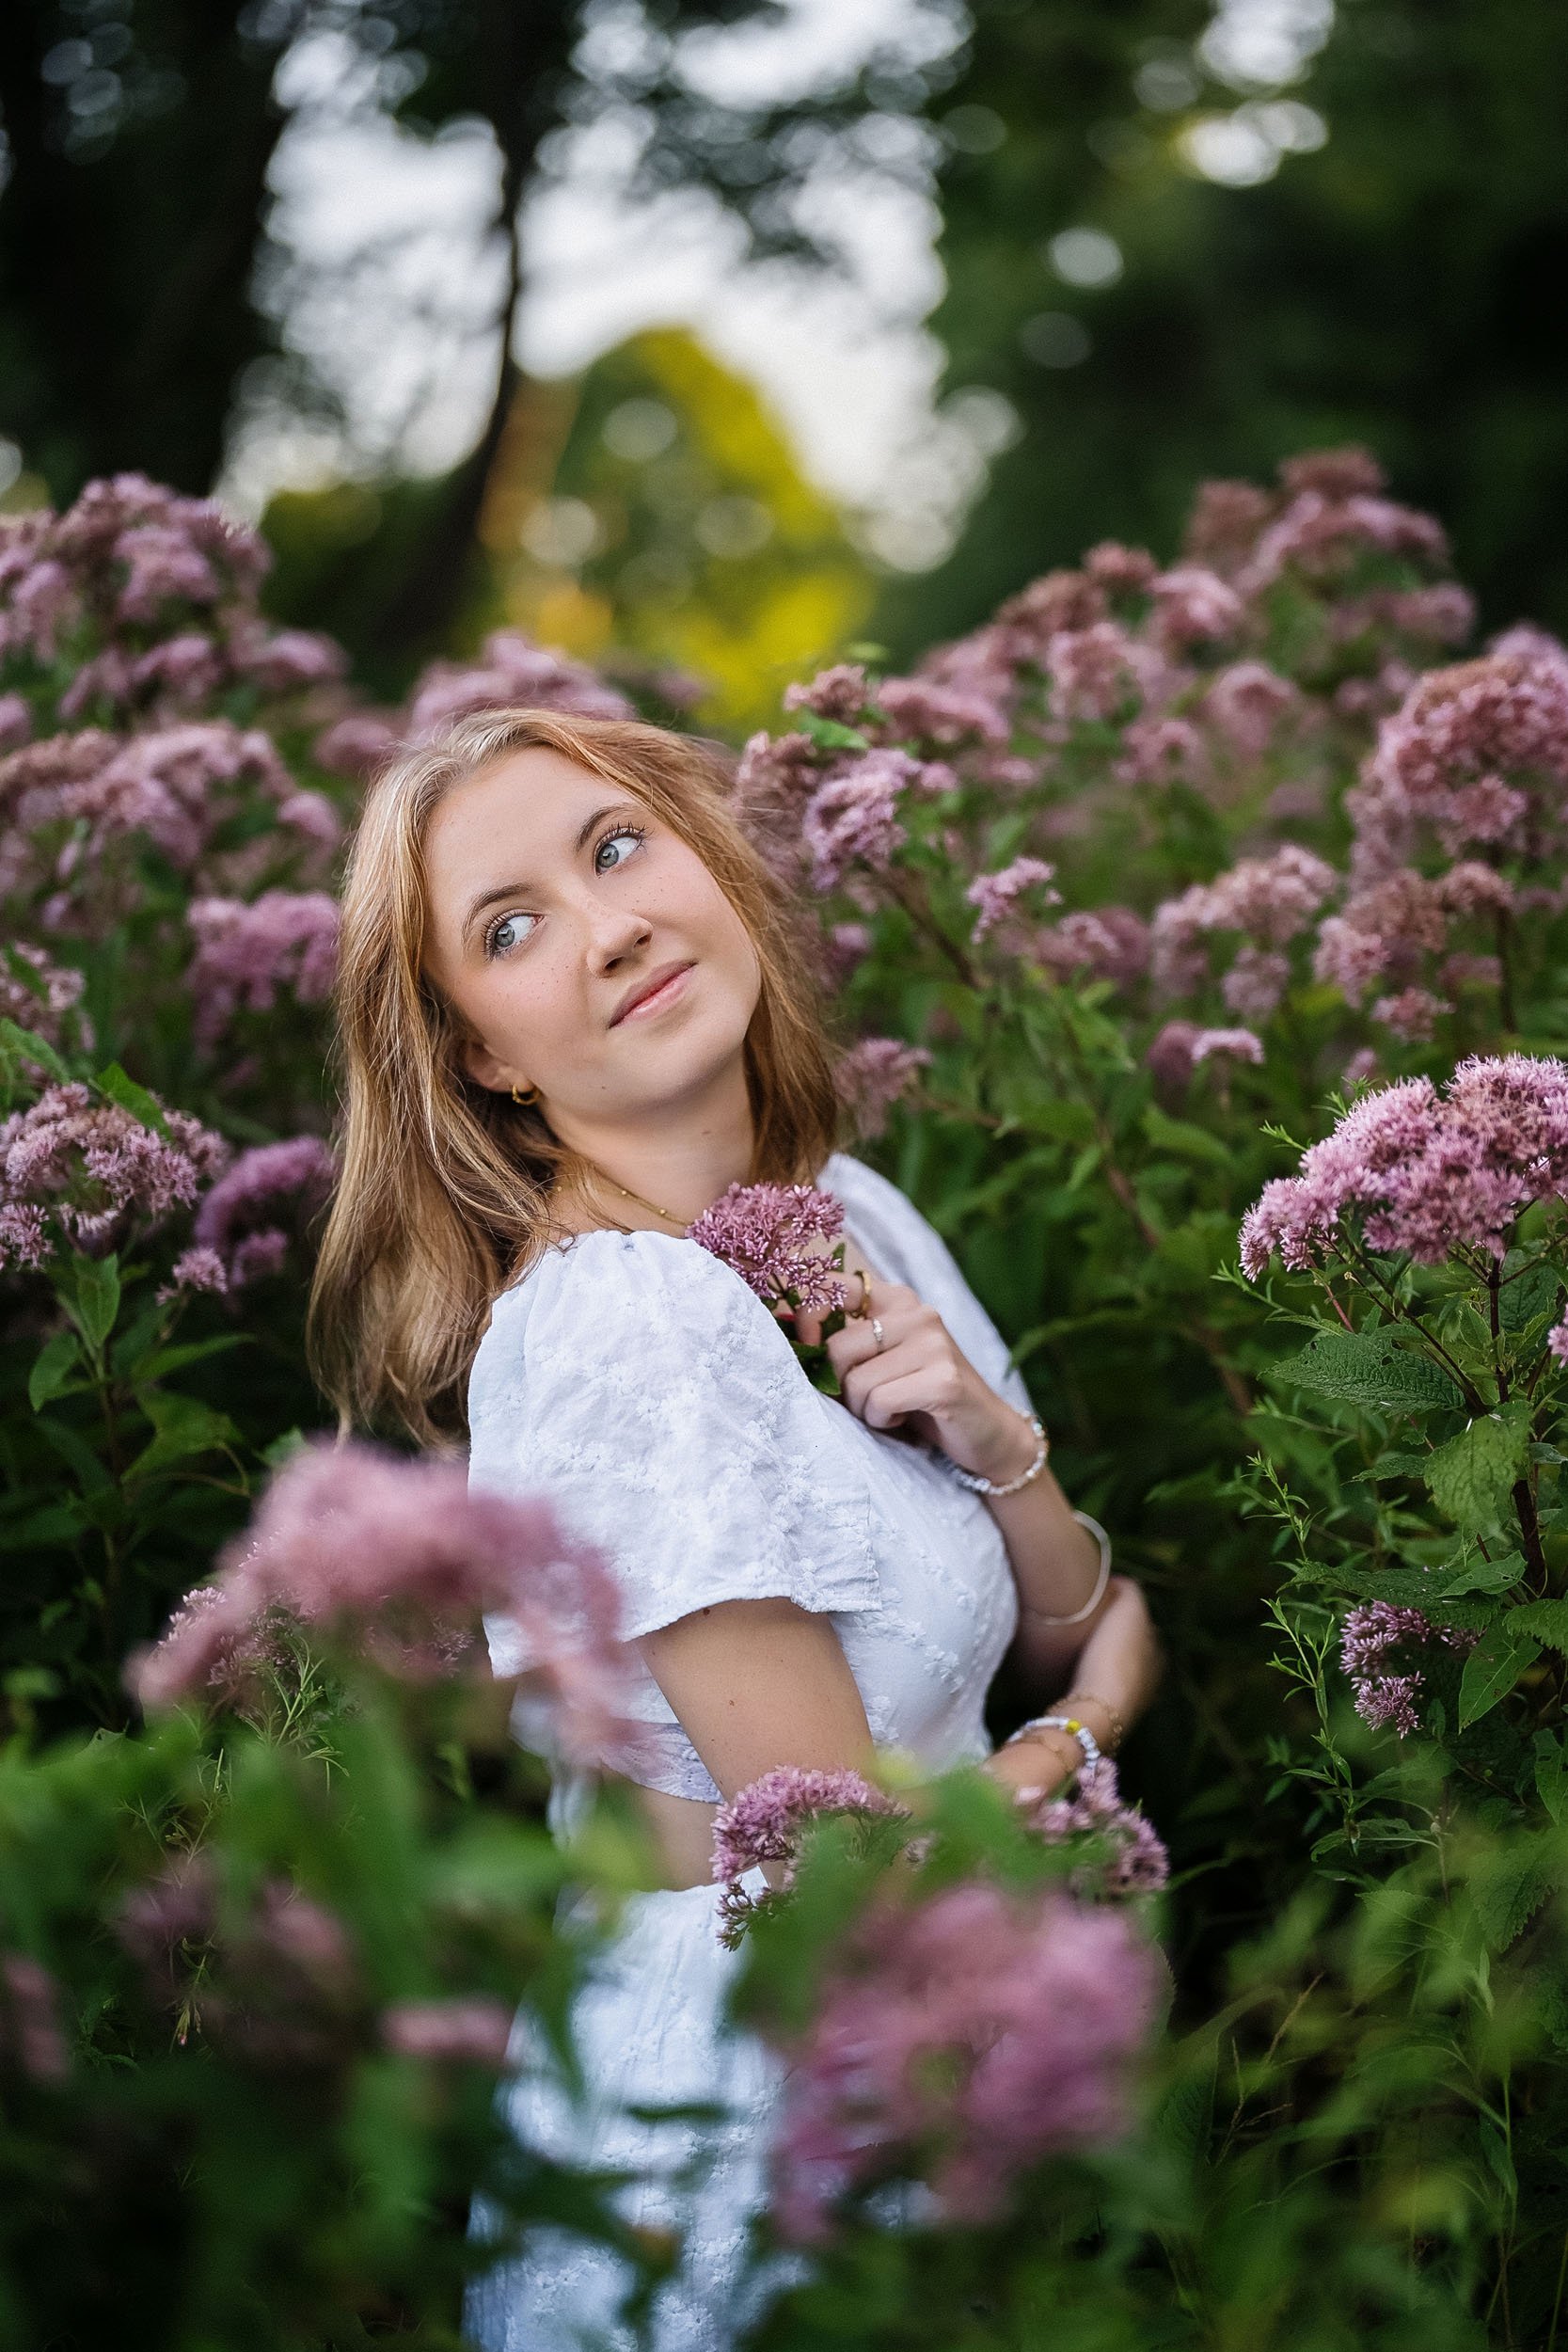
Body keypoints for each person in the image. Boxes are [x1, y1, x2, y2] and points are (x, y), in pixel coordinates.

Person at [309, 707, 1164, 2351]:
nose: (610, 923)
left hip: (953, 2045)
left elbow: (1069, 1596)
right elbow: (845, 1853)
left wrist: (999, 1450)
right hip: (743, 2108)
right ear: (486, 1054)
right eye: (512, 927)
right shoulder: (616, 1320)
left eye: (618, 846)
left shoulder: (851, 1210)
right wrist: (1088, 1731)